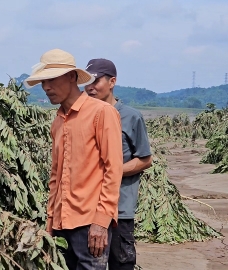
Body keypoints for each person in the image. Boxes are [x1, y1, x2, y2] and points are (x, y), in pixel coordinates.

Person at [24, 49, 123, 270]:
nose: (46, 87)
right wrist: (50, 221)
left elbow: (113, 169)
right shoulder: (58, 122)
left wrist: (101, 221)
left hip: (90, 222)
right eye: (42, 82)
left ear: (71, 77)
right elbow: (55, 177)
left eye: (51, 80)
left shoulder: (101, 112)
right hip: (61, 223)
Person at [84, 59, 153, 270]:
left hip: (119, 211)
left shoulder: (131, 117)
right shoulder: (85, 115)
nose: (90, 87)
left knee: (120, 264)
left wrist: (111, 173)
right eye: (86, 82)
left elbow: (145, 159)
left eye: (95, 81)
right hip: (87, 209)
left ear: (112, 82)